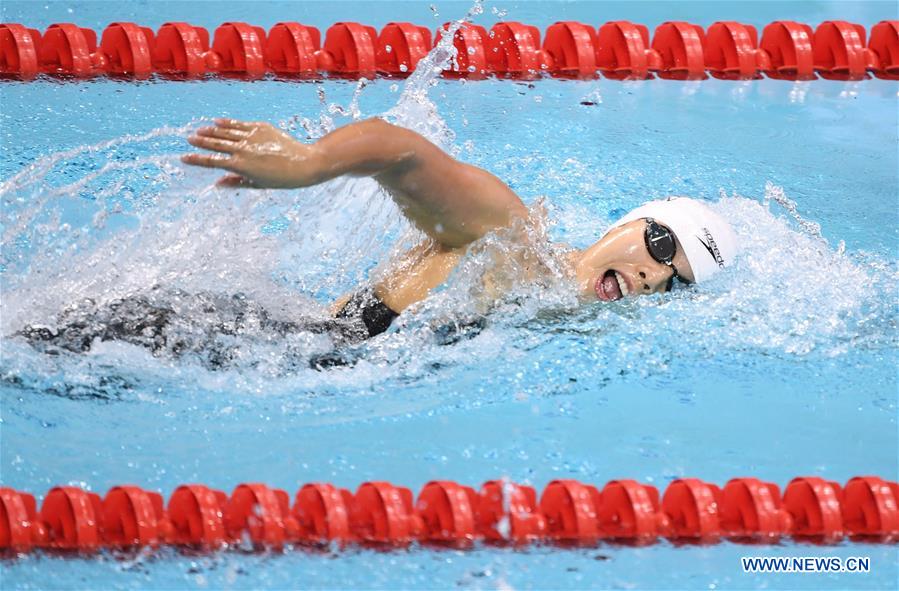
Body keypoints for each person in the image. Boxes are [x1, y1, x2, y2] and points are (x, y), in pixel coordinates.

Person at [181, 117, 740, 340]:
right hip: (221, 338)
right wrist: (310, 163)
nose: (653, 276)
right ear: (629, 223)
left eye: (676, 281)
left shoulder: (555, 318)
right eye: (661, 245)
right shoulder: (512, 241)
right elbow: (401, 151)